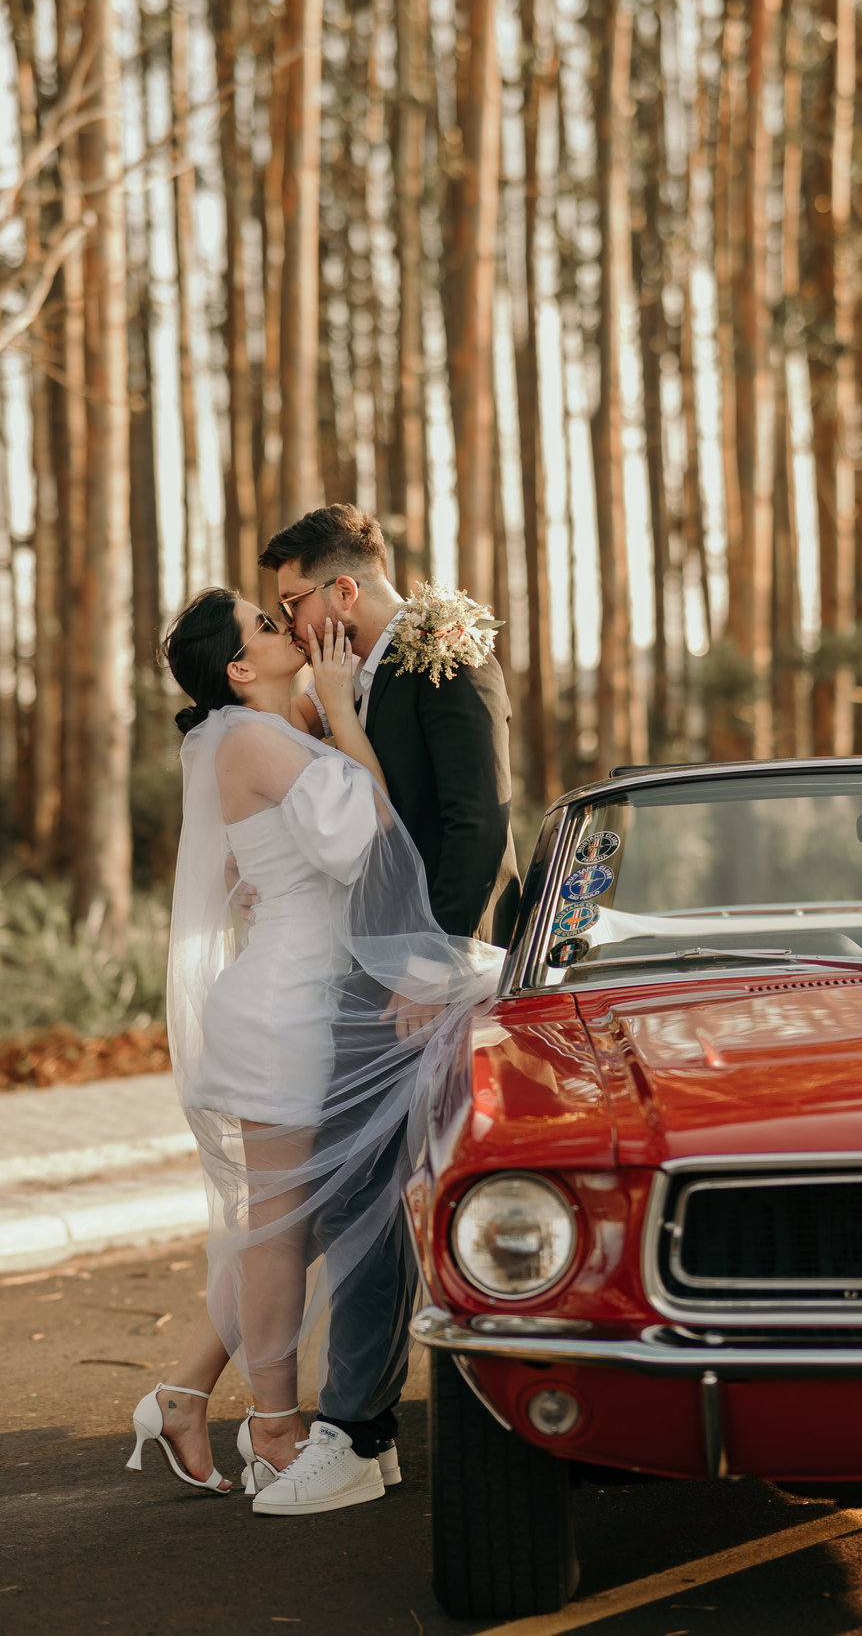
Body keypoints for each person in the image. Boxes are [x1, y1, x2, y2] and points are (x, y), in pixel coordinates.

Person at [127, 587, 499, 1510]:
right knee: (281, 1227)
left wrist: (325, 716)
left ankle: (187, 1397)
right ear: (237, 667)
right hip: (286, 1009)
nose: (282, 625)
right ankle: (274, 1424)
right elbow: (369, 830)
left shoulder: (265, 730)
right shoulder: (255, 738)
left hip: (304, 993)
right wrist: (341, 711)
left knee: (288, 1223)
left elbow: (259, 851)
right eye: (264, 623)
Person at [250, 504, 519, 1509]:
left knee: (373, 1193)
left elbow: (478, 822)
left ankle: (357, 1433)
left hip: (429, 974)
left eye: (294, 600)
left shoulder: (448, 655)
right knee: (350, 1191)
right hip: (368, 967)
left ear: (344, 589)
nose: (289, 619)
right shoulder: (352, 677)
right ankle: (356, 1425)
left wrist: (425, 966)